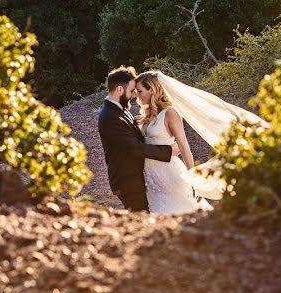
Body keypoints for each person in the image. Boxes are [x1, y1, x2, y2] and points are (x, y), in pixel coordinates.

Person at [133, 70, 270, 214]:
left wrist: (194, 179)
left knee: (181, 212)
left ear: (152, 90)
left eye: (140, 91)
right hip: (152, 177)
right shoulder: (147, 115)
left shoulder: (170, 113)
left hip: (169, 174)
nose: (137, 95)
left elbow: (184, 147)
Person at [96, 66, 179, 212]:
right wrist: (168, 151)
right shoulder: (110, 116)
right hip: (127, 182)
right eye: (131, 91)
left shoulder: (119, 109)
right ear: (120, 90)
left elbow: (131, 137)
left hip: (136, 178)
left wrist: (144, 122)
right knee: (143, 219)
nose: (134, 95)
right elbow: (134, 148)